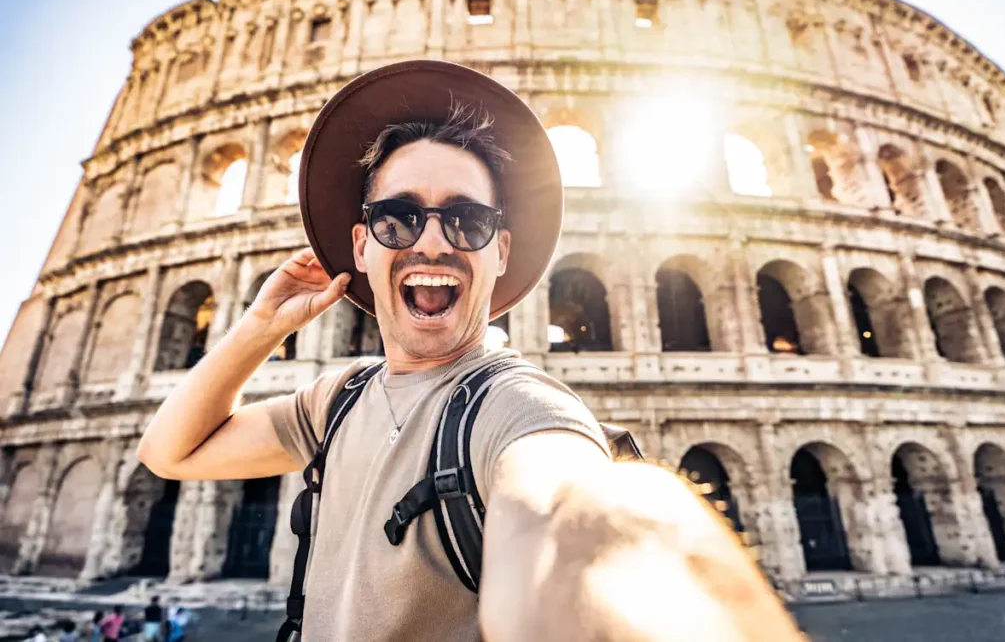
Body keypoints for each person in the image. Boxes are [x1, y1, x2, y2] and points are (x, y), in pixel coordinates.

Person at [138, 60, 802, 641]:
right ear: (362, 245)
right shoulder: (336, 400)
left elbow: (566, 515)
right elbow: (169, 450)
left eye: (467, 218)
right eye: (397, 217)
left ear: (499, 250)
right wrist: (259, 326)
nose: (431, 242)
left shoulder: (516, 406)